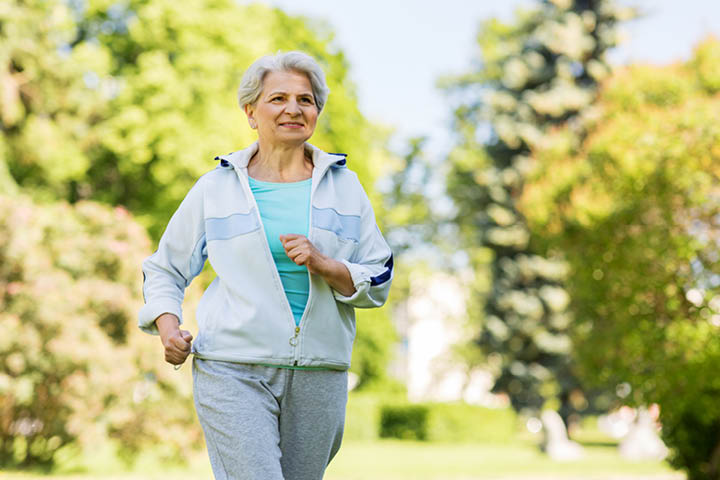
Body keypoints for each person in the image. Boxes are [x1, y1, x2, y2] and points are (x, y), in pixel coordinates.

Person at [137, 51, 393, 480]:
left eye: (305, 100)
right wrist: (167, 327)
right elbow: (165, 268)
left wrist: (326, 264)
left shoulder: (345, 188)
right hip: (231, 366)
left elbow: (379, 275)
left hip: (319, 372)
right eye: (278, 98)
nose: (293, 108)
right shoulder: (216, 188)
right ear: (251, 112)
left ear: (316, 112)